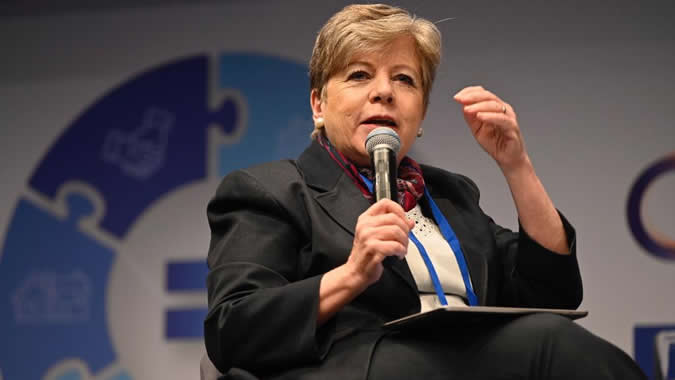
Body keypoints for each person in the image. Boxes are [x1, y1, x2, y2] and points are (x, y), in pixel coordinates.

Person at [204, 4, 646, 379]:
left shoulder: (449, 196)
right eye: (359, 75)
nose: (384, 93)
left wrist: (517, 165)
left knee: (561, 341)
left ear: (422, 112)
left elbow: (553, 294)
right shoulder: (272, 191)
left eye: (404, 80)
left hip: (471, 359)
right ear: (319, 104)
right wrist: (351, 274)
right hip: (357, 366)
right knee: (549, 345)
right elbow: (231, 330)